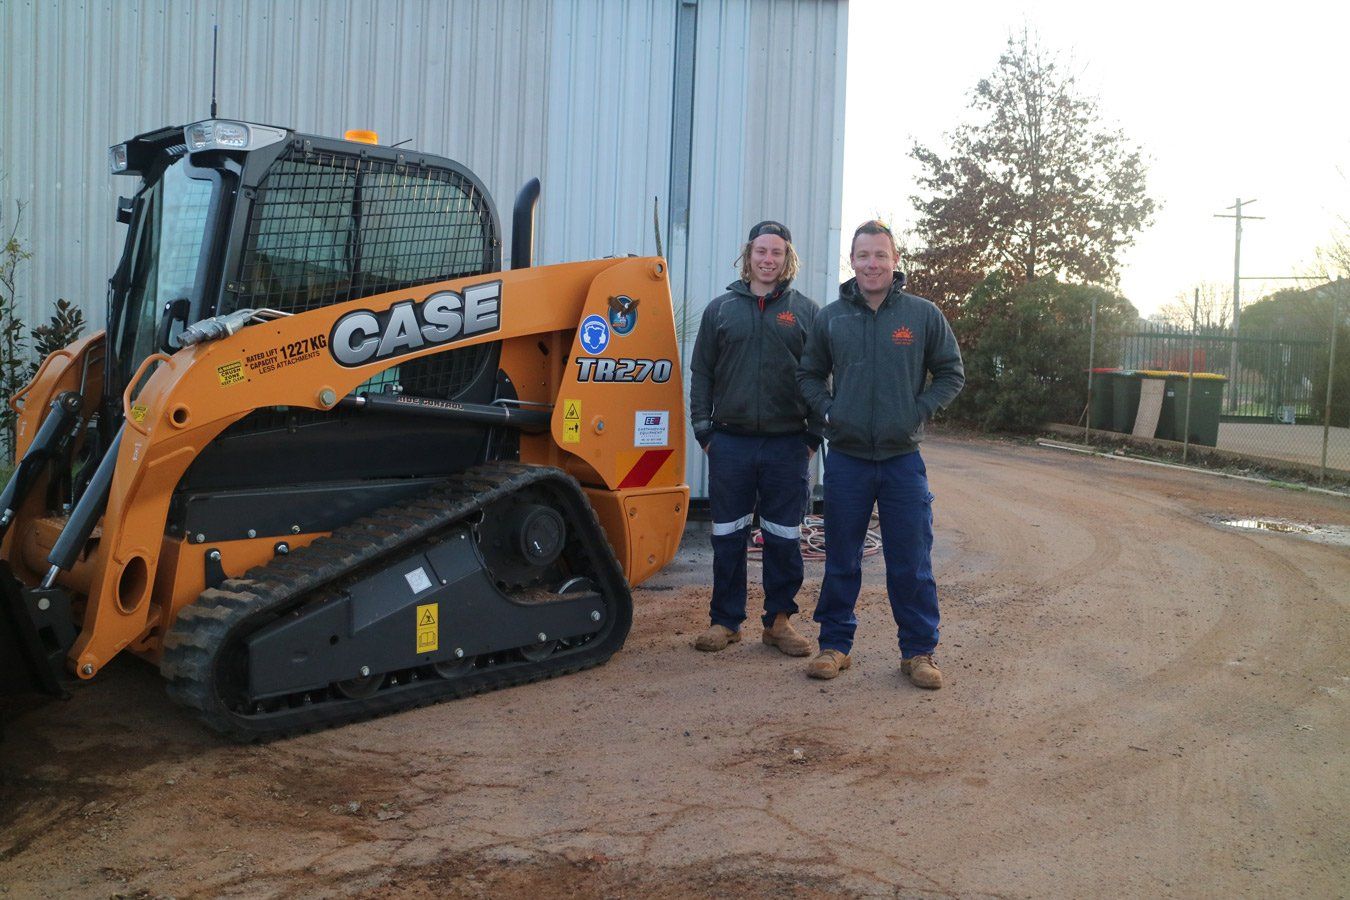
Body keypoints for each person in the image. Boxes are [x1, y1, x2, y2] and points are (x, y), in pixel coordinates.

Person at [796, 220, 965, 687]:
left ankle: (919, 653)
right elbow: (808, 375)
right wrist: (830, 412)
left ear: (895, 261)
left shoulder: (923, 315)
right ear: (851, 261)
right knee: (842, 559)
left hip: (901, 460)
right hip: (847, 460)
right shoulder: (832, 318)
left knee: (911, 559)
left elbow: (951, 372)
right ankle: (834, 646)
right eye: (864, 255)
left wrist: (919, 411)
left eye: (881, 255)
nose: (872, 264)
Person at [689, 220, 821, 657]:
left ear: (788, 259)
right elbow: (702, 373)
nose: (768, 259)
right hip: (731, 443)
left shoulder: (806, 313)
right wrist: (704, 432)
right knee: (728, 535)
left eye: (777, 253)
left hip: (788, 445)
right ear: (749, 256)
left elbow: (823, 377)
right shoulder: (720, 310)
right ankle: (725, 621)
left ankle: (779, 622)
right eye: (761, 251)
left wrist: (813, 436)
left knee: (784, 537)